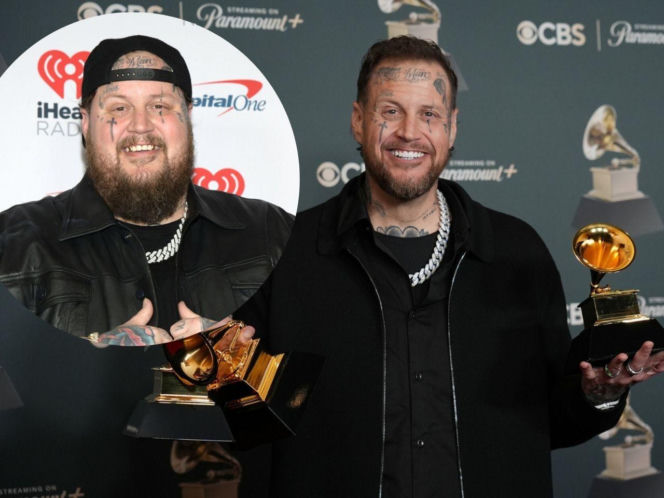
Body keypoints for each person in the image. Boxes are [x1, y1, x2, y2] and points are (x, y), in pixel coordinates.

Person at [235, 36, 664, 497]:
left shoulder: (517, 251)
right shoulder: (284, 254)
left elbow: (551, 421)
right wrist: (211, 361)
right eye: (390, 111)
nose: (409, 132)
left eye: (429, 114)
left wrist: (599, 394)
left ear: (452, 127)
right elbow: (249, 429)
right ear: (358, 120)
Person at [0, 35, 291, 345]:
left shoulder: (270, 232)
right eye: (119, 108)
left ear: (187, 117)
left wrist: (240, 357)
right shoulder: (15, 245)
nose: (140, 125)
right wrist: (89, 357)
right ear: (85, 123)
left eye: (159, 106)